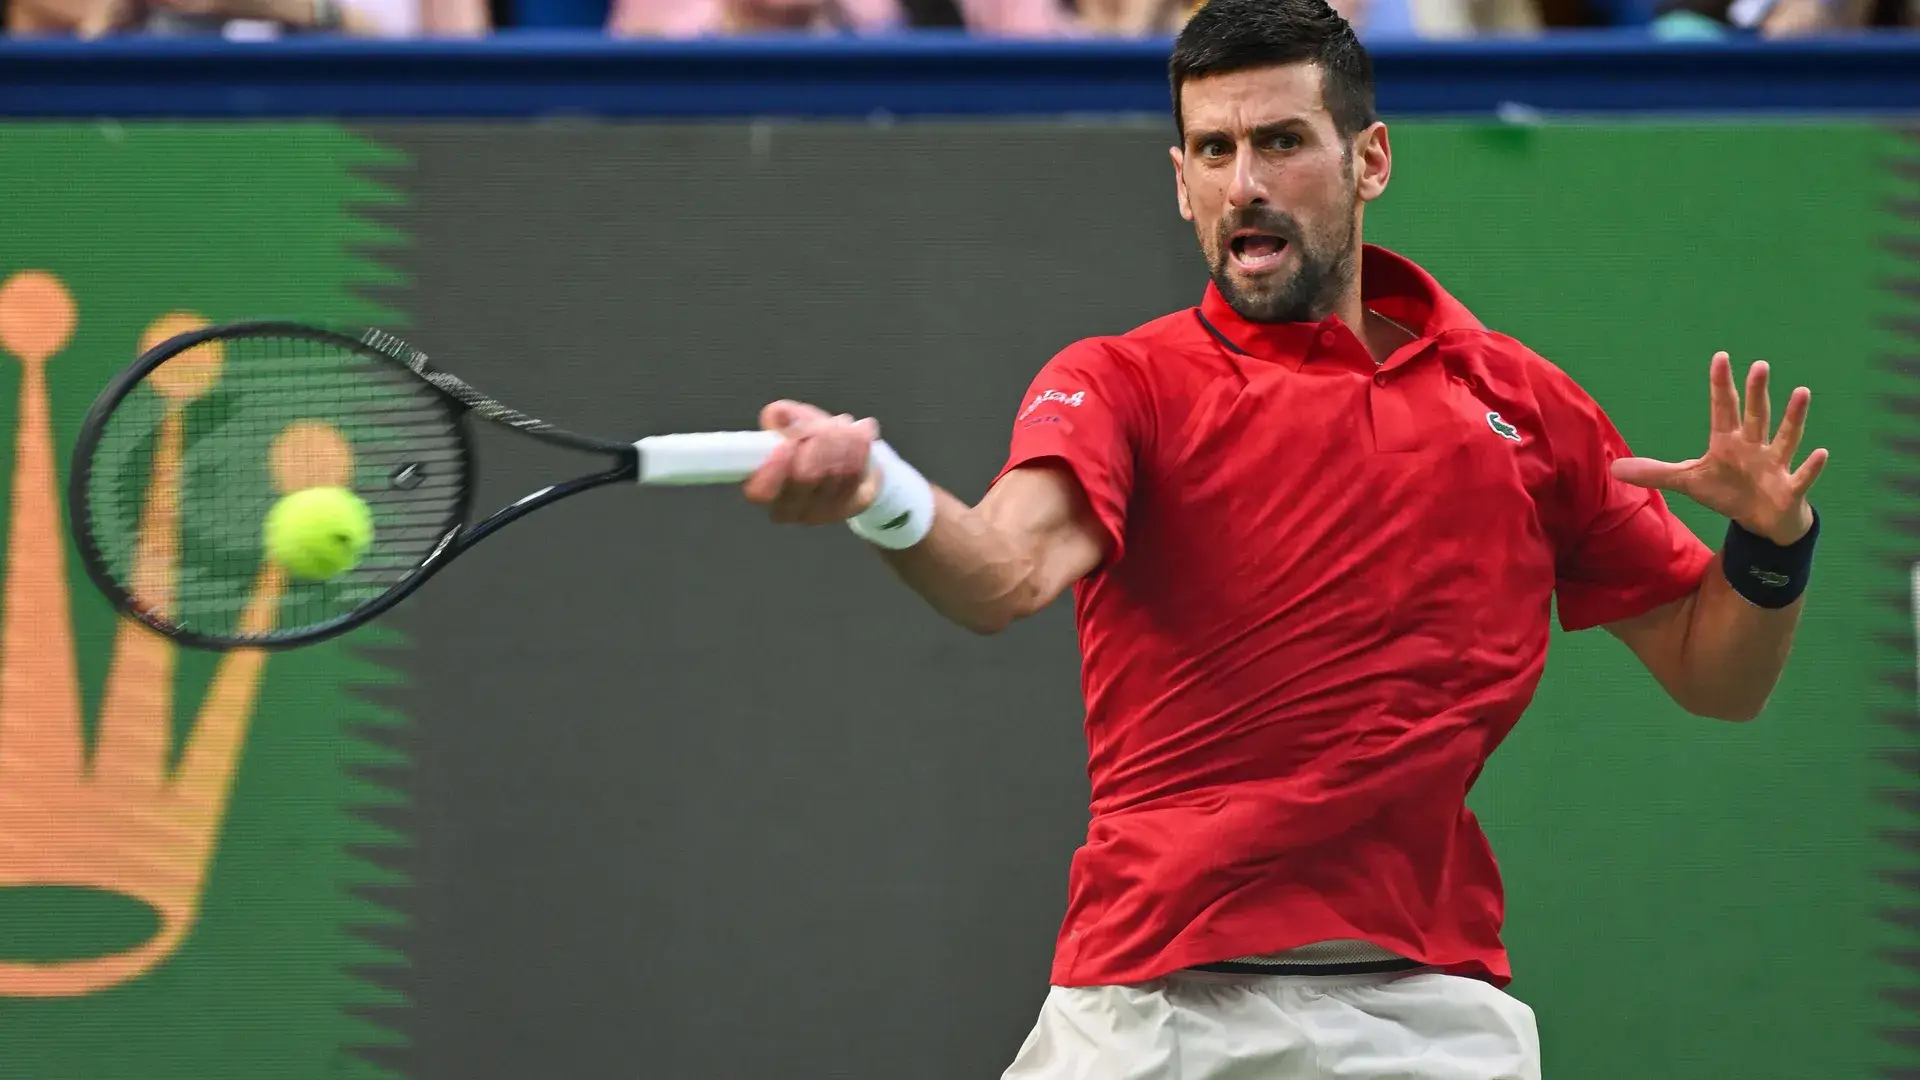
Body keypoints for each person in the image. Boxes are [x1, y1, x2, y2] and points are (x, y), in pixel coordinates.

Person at [738, 0, 1827, 1074]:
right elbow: (1002, 573)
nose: (1243, 183)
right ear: (1180, 181)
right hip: (1153, 1013)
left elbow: (1714, 671)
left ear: (1371, 161)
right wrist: (881, 491)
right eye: (1213, 149)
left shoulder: (1521, 407)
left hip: (1423, 1016)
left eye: (1281, 142)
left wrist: (1772, 547)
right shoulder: (1120, 385)